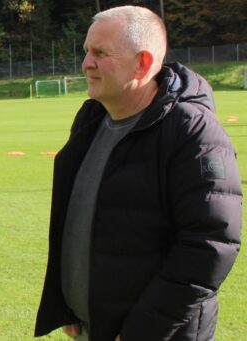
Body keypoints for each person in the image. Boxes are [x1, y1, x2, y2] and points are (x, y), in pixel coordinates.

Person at [35, 6, 242, 341]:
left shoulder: (192, 131)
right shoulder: (91, 118)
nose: (86, 63)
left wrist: (142, 331)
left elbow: (209, 246)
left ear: (142, 63)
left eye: (100, 53)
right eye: (87, 51)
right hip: (95, 325)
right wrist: (70, 304)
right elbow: (79, 218)